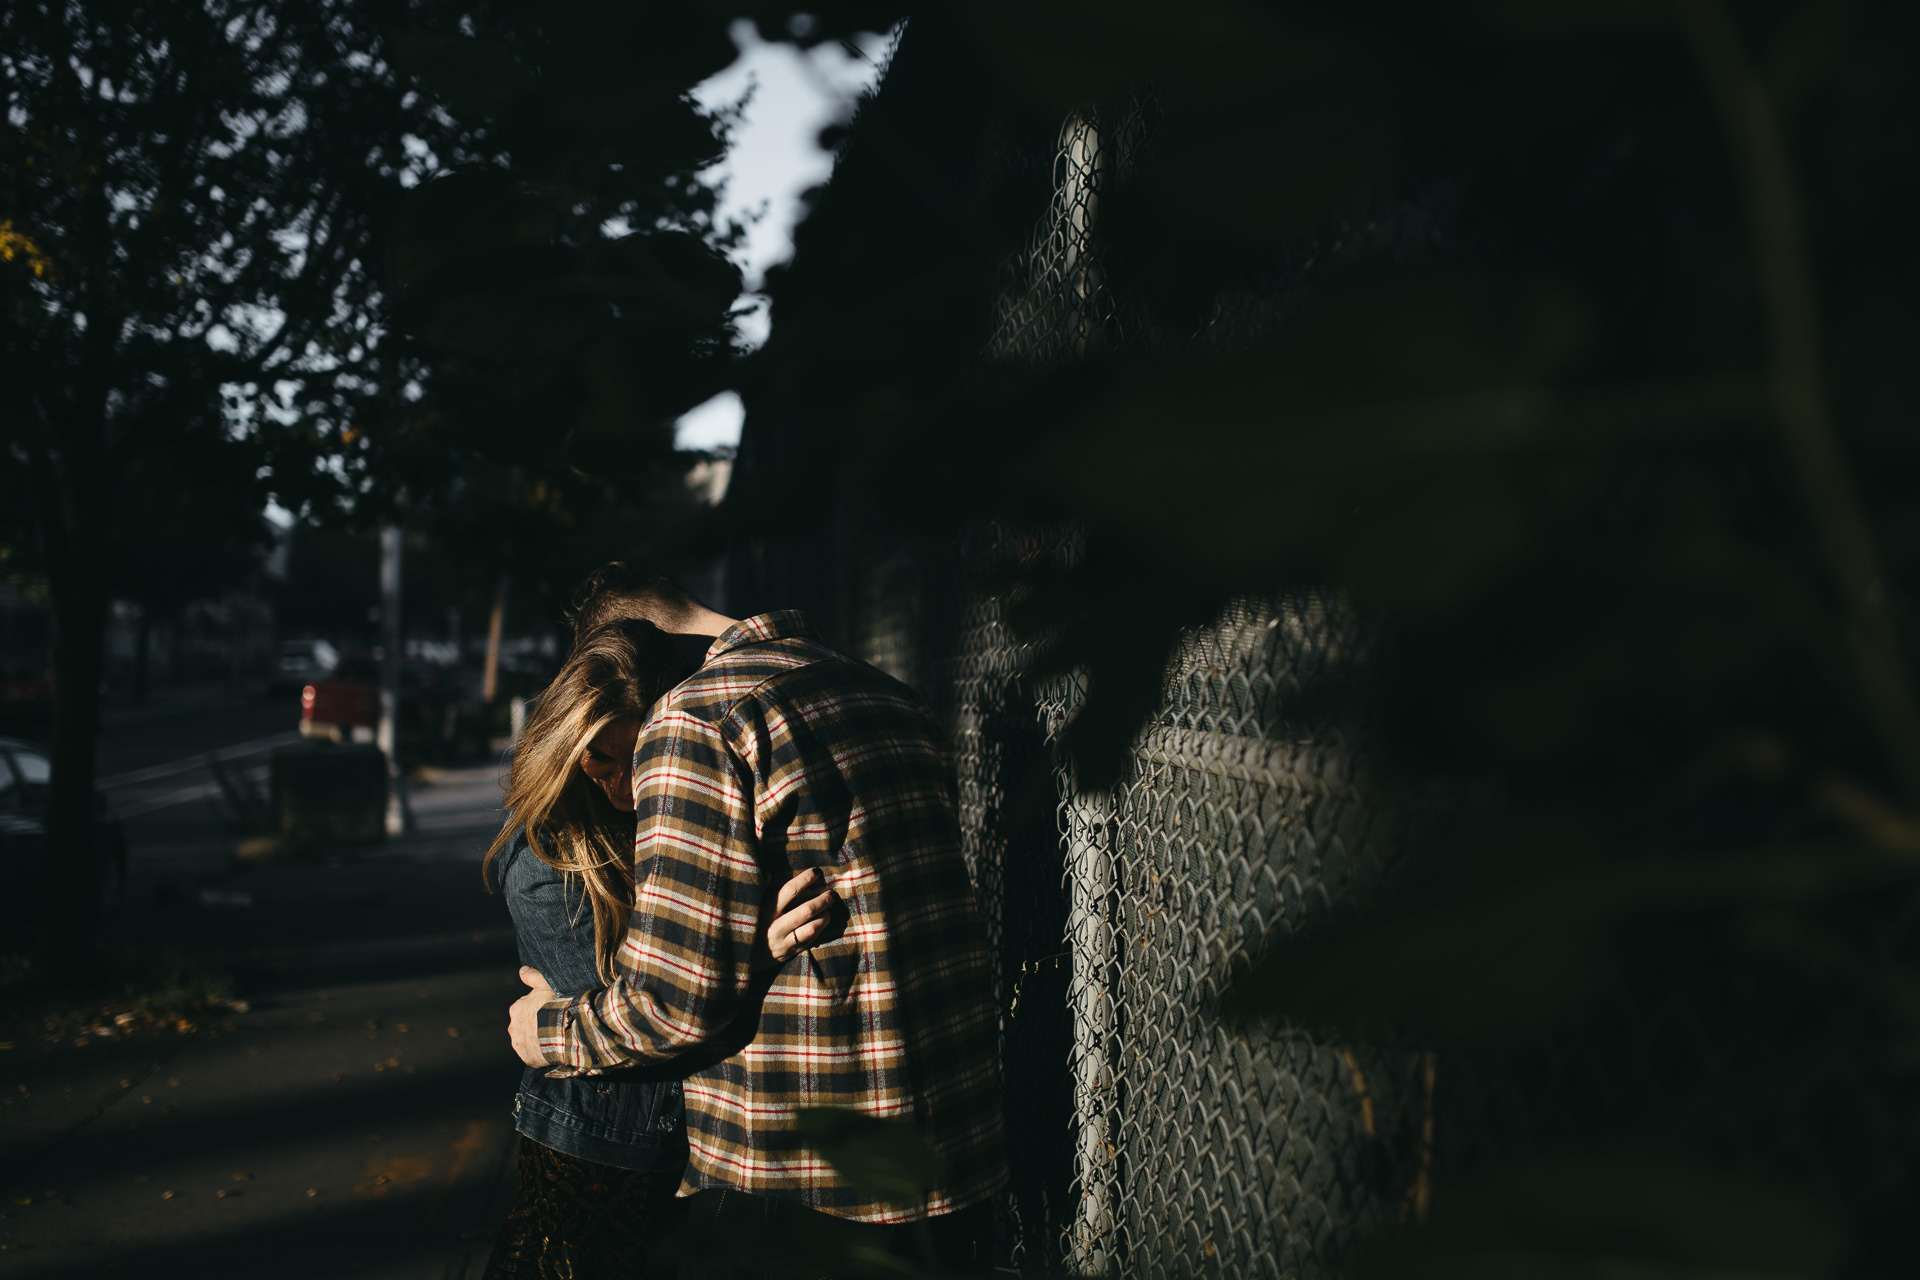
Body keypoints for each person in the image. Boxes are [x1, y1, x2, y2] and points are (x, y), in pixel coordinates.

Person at [508, 567, 1007, 1278]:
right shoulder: (883, 692)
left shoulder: (693, 719)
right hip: (955, 1160)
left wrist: (544, 1032)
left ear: (629, 649)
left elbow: (667, 1006)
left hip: (808, 1189)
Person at [483, 617, 839, 1279]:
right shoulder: (544, 857)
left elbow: (682, 987)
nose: (621, 784)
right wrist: (756, 948)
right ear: (562, 748)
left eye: (639, 759)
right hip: (601, 1152)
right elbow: (647, 1022)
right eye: (600, 760)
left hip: (692, 1151)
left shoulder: (698, 806)